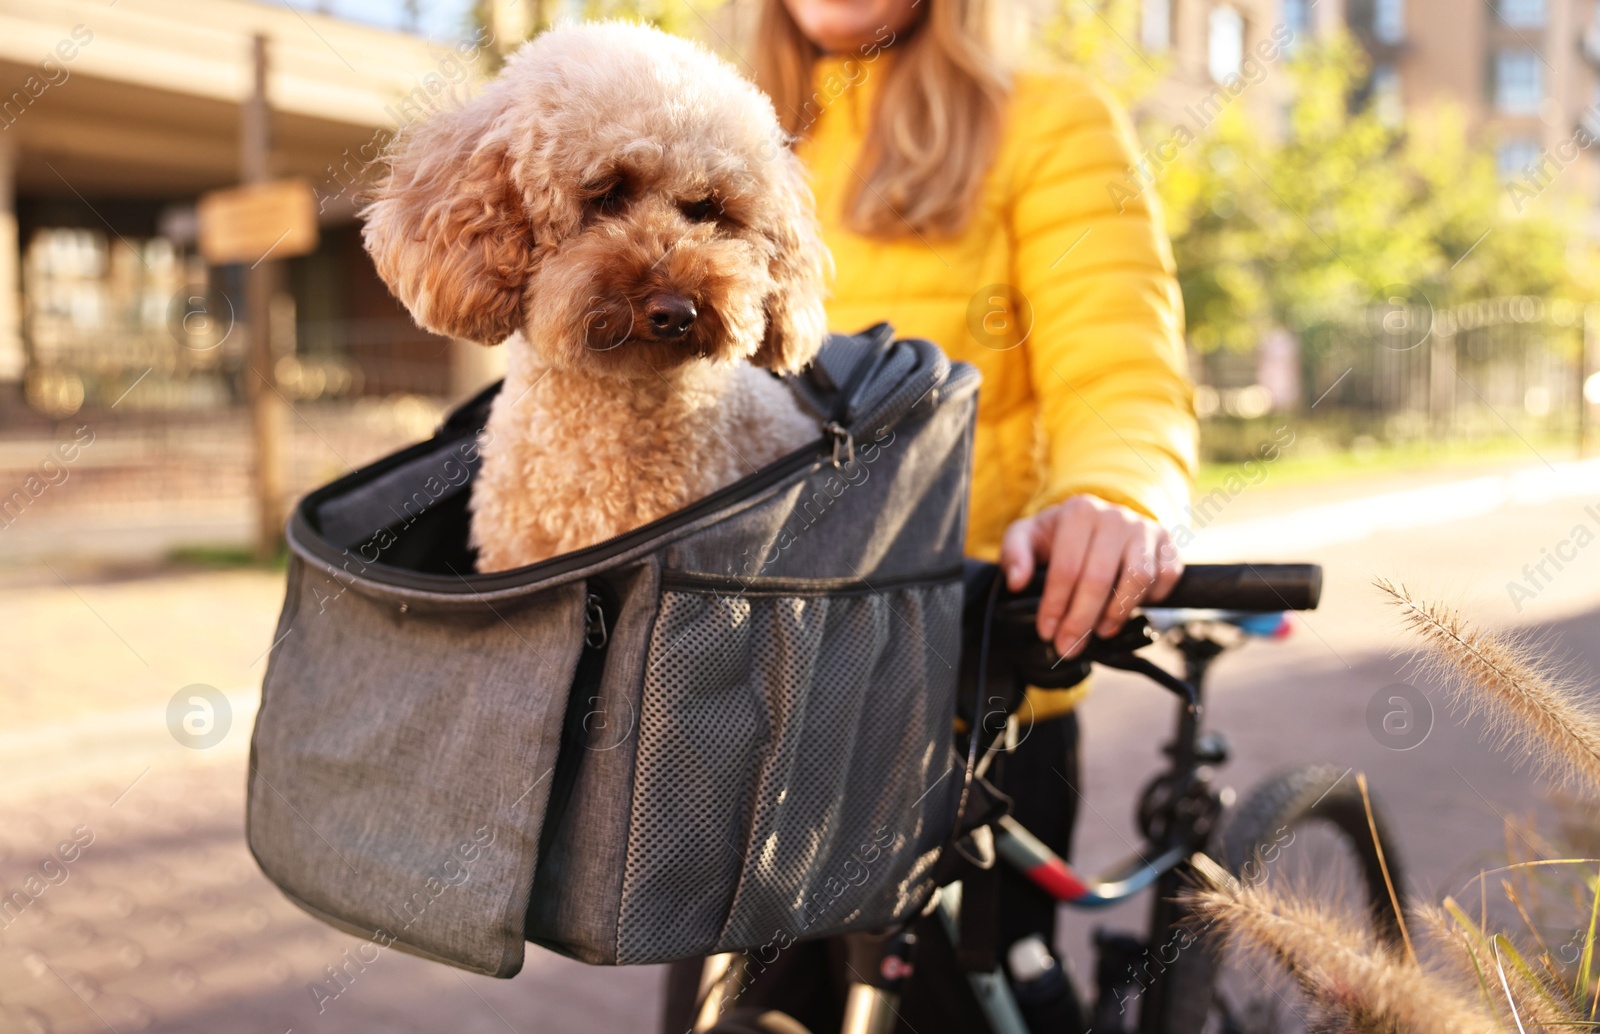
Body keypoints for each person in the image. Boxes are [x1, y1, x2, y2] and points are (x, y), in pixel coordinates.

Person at [662, 0, 1196, 1029]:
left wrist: (1114, 493)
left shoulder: (1046, 120)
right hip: (745, 691)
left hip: (967, 690)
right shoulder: (707, 133)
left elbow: (1119, 367)